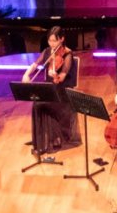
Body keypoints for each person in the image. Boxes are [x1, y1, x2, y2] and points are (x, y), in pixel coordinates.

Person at [21, 26, 80, 158]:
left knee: (40, 104)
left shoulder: (67, 54)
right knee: (36, 102)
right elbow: (35, 64)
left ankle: (50, 140)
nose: (52, 44)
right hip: (49, 89)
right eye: (50, 41)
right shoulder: (48, 51)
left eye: (54, 41)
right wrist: (26, 74)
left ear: (62, 39)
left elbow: (63, 77)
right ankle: (40, 140)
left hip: (61, 92)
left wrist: (55, 76)